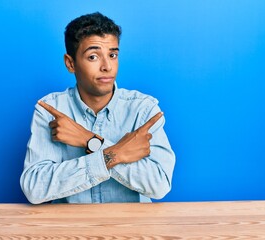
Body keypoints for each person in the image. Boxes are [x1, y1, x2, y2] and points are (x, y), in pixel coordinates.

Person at [20, 12, 175, 204]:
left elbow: (160, 185)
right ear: (70, 63)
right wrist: (117, 154)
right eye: (93, 56)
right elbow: (35, 188)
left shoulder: (143, 109)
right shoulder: (51, 110)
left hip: (131, 230)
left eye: (112, 55)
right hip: (72, 230)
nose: (107, 66)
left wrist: (89, 140)